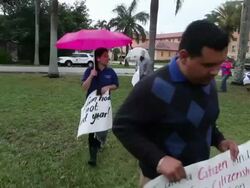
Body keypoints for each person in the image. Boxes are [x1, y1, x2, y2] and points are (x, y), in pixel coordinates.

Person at [112, 20, 239, 187]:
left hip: (198, 177)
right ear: (184, 56)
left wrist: (220, 141)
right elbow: (122, 126)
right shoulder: (153, 86)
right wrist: (159, 159)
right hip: (160, 181)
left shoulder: (208, 82)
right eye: (208, 65)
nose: (215, 72)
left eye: (219, 64)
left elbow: (203, 122)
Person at [81, 47, 119, 166]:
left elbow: (116, 85)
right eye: (105, 56)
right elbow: (84, 87)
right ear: (98, 58)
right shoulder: (89, 71)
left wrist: (107, 87)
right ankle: (93, 157)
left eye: (107, 56)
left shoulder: (110, 72)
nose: (108, 58)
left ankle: (99, 143)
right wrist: (91, 76)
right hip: (92, 105)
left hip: (104, 105)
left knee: (102, 128)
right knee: (91, 129)